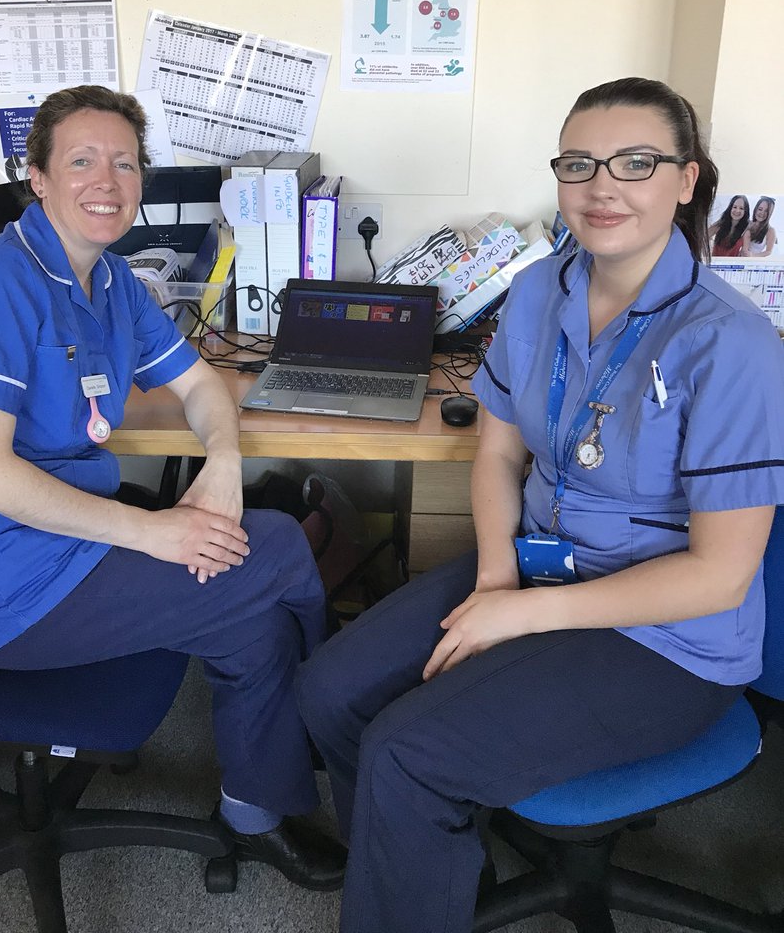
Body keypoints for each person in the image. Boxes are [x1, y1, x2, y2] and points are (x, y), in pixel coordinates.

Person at [296, 77, 784, 933]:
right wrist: (496, 583)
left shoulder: (730, 345)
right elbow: (497, 449)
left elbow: (718, 577)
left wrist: (516, 620)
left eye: (637, 163)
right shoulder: (539, 291)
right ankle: (435, 871)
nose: (603, 186)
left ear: (687, 180)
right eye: (579, 163)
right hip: (533, 573)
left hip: (666, 641)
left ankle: (414, 854)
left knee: (407, 754)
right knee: (331, 688)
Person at [0, 85, 345, 890]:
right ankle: (343, 741)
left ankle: (256, 813)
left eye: (124, 161)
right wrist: (155, 531)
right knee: (279, 548)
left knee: (251, 618)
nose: (107, 179)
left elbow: (203, 386)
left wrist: (220, 464)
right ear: (36, 176)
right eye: (81, 160)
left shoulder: (112, 284)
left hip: (70, 549)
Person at [709, 193, 749, 257]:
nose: (737, 210)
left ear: (745, 211)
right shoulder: (721, 223)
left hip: (732, 264)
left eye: (741, 208)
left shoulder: (747, 227)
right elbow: (703, 238)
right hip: (716, 263)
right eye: (735, 207)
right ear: (730, 208)